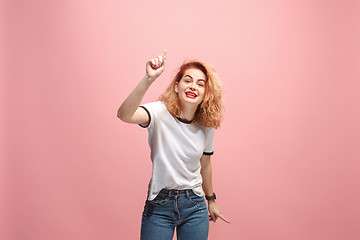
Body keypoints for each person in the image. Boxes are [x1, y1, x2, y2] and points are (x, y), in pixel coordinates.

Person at [117, 50, 230, 240]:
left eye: (200, 84)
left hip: (195, 205)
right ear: (176, 87)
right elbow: (124, 115)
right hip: (160, 205)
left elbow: (205, 164)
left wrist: (211, 201)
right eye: (188, 80)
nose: (193, 86)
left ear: (205, 93)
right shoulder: (159, 112)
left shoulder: (206, 125)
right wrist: (148, 78)